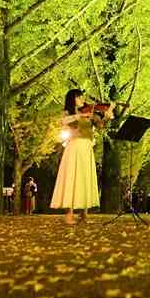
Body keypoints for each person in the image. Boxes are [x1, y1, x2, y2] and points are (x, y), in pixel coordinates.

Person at [50, 89, 112, 225]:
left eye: (81, 97)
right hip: (75, 146)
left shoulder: (89, 113)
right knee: (72, 178)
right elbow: (64, 121)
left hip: (87, 148)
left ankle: (84, 215)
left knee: (85, 178)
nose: (82, 99)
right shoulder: (69, 113)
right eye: (79, 97)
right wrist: (79, 116)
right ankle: (69, 214)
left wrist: (106, 116)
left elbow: (100, 126)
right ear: (72, 99)